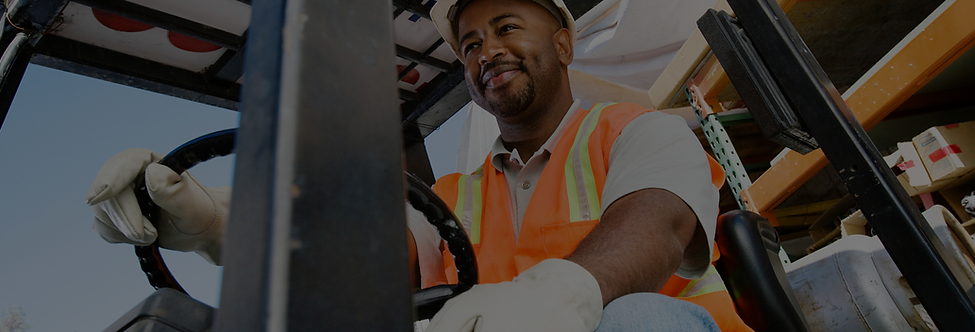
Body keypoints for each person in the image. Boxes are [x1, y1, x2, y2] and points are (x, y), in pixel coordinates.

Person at [85, 0, 751, 330]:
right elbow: (355, 253)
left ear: (564, 40)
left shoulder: (637, 130)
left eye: (507, 26)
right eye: (470, 43)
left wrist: (564, 295)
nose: (486, 50)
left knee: (637, 324)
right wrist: (214, 221)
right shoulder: (450, 196)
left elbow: (658, 222)